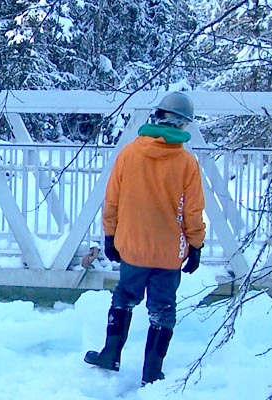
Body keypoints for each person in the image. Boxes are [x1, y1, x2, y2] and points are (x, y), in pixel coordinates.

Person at [83, 92, 206, 385]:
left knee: (124, 299)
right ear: (183, 125)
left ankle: (111, 354)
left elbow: (112, 200)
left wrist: (111, 236)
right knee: (163, 309)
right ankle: (152, 372)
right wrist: (196, 245)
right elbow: (193, 211)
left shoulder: (130, 153)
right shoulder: (187, 163)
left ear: (158, 115)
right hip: (168, 254)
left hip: (133, 248)